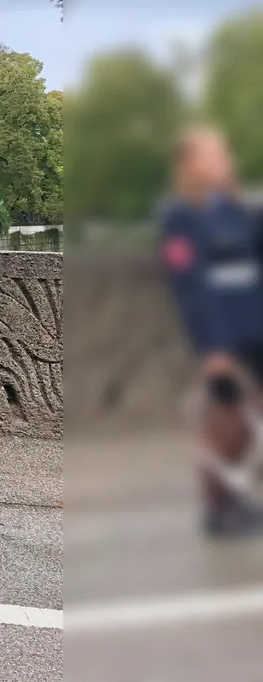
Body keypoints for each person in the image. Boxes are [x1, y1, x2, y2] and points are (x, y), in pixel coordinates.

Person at [161, 127, 263, 536]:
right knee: (226, 417)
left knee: (248, 415)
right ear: (188, 164)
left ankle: (235, 494)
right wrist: (212, 346)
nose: (221, 162)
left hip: (255, 322)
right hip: (221, 329)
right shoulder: (181, 215)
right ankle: (219, 505)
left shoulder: (239, 210)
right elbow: (188, 281)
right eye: (210, 155)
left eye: (222, 154)